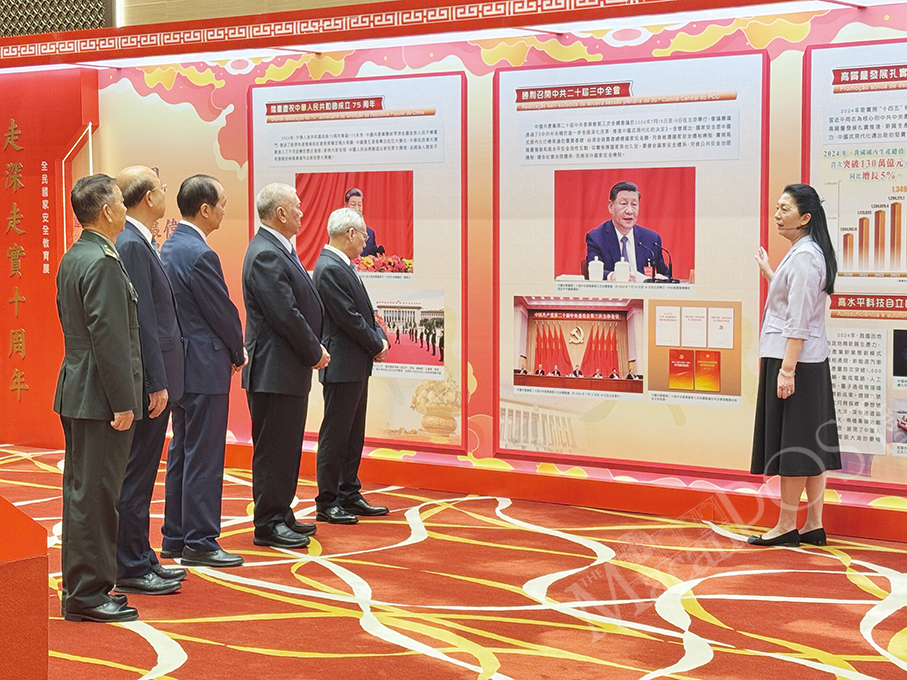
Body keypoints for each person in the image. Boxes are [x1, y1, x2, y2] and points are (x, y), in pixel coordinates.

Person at [55, 174, 142, 622]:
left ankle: (82, 586)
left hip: (78, 386)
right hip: (100, 394)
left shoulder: (76, 255)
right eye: (121, 203)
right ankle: (87, 593)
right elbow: (109, 337)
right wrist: (123, 401)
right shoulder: (103, 261)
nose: (126, 209)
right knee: (97, 495)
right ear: (107, 211)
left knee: (83, 491)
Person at [160, 174, 246, 567]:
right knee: (204, 455)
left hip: (182, 365)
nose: (226, 210)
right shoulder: (200, 254)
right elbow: (222, 311)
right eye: (222, 203)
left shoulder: (170, 246)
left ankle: (175, 537)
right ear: (205, 208)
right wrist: (238, 350)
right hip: (205, 365)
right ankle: (201, 541)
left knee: (183, 450)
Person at [749, 184, 841, 547]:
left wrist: (787, 371)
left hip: (794, 361)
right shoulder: (807, 251)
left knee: (795, 448)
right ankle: (813, 524)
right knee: (810, 447)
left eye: (784, 209)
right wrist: (770, 274)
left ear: (804, 218)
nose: (777, 214)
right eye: (777, 207)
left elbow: (799, 319)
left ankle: (786, 525)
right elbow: (795, 299)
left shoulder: (804, 256)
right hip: (806, 361)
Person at [242, 183, 329, 550]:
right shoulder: (265, 252)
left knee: (287, 447)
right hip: (274, 371)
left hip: (285, 370)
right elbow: (285, 314)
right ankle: (268, 523)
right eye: (296, 207)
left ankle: (281, 512)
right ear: (280, 213)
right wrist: (314, 351)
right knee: (274, 450)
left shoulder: (278, 248)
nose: (301, 213)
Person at [113, 166, 185, 595]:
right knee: (136, 477)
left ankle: (141, 555)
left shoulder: (140, 240)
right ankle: (130, 564)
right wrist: (156, 381)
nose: (164, 193)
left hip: (156, 377)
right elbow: (142, 320)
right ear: (147, 198)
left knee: (141, 475)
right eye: (161, 188)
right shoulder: (131, 244)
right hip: (149, 383)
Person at [313, 208, 390, 524]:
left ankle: (348, 492)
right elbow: (349, 318)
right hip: (342, 364)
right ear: (349, 233)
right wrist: (377, 344)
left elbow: (364, 314)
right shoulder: (329, 267)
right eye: (363, 234)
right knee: (336, 435)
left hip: (354, 364)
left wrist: (379, 337)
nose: (366, 241)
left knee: (352, 434)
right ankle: (327, 500)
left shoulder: (342, 264)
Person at [585, 181, 668, 282]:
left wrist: (662, 279)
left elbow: (664, 274)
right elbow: (593, 270)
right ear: (611, 207)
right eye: (623, 204)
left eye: (634, 204)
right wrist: (613, 276)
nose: (629, 211)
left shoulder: (651, 239)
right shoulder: (597, 238)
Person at [344, 188, 380, 257]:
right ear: (346, 206)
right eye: (353, 205)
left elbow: (374, 257)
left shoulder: (370, 233)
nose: (357, 209)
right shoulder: (339, 230)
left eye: (359, 205)